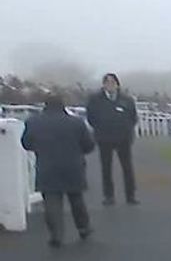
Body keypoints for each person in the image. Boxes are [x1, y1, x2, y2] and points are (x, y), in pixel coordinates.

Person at [21, 94, 94, 247]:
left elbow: (26, 143)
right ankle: (83, 228)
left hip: (47, 166)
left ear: (44, 105)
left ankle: (56, 235)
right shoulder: (76, 123)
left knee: (51, 202)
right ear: (63, 105)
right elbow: (89, 145)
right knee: (76, 199)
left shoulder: (33, 122)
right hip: (73, 166)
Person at [85, 73, 138, 205]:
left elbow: (133, 118)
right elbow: (90, 117)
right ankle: (109, 196)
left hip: (123, 138)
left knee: (127, 168)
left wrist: (127, 130)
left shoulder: (127, 100)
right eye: (107, 82)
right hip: (104, 138)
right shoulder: (95, 100)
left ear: (117, 84)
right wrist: (100, 128)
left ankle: (130, 196)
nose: (110, 85)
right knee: (106, 168)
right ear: (103, 85)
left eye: (112, 82)